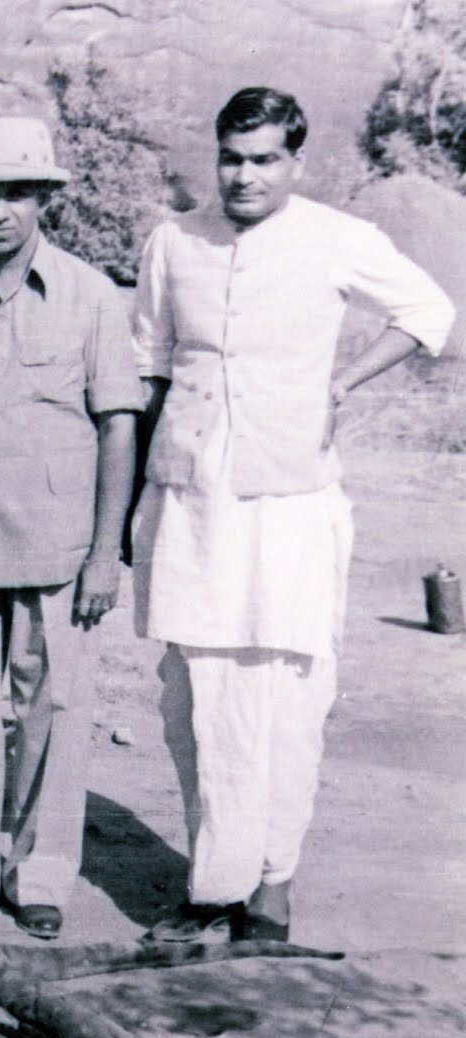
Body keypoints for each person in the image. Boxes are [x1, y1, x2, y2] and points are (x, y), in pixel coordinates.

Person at [132, 87, 454, 943]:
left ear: (295, 163)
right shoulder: (176, 240)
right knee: (193, 693)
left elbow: (431, 313)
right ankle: (211, 884)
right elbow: (150, 363)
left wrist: (343, 383)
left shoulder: (336, 239)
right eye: (232, 158)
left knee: (286, 695)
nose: (245, 176)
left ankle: (272, 887)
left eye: (265, 159)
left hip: (290, 508)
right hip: (192, 503)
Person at [0, 117, 143, 940]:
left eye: (15, 193)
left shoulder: (90, 298)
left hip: (59, 549)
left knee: (54, 709)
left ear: (45, 197)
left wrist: (107, 553)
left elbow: (119, 427)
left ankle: (40, 872)